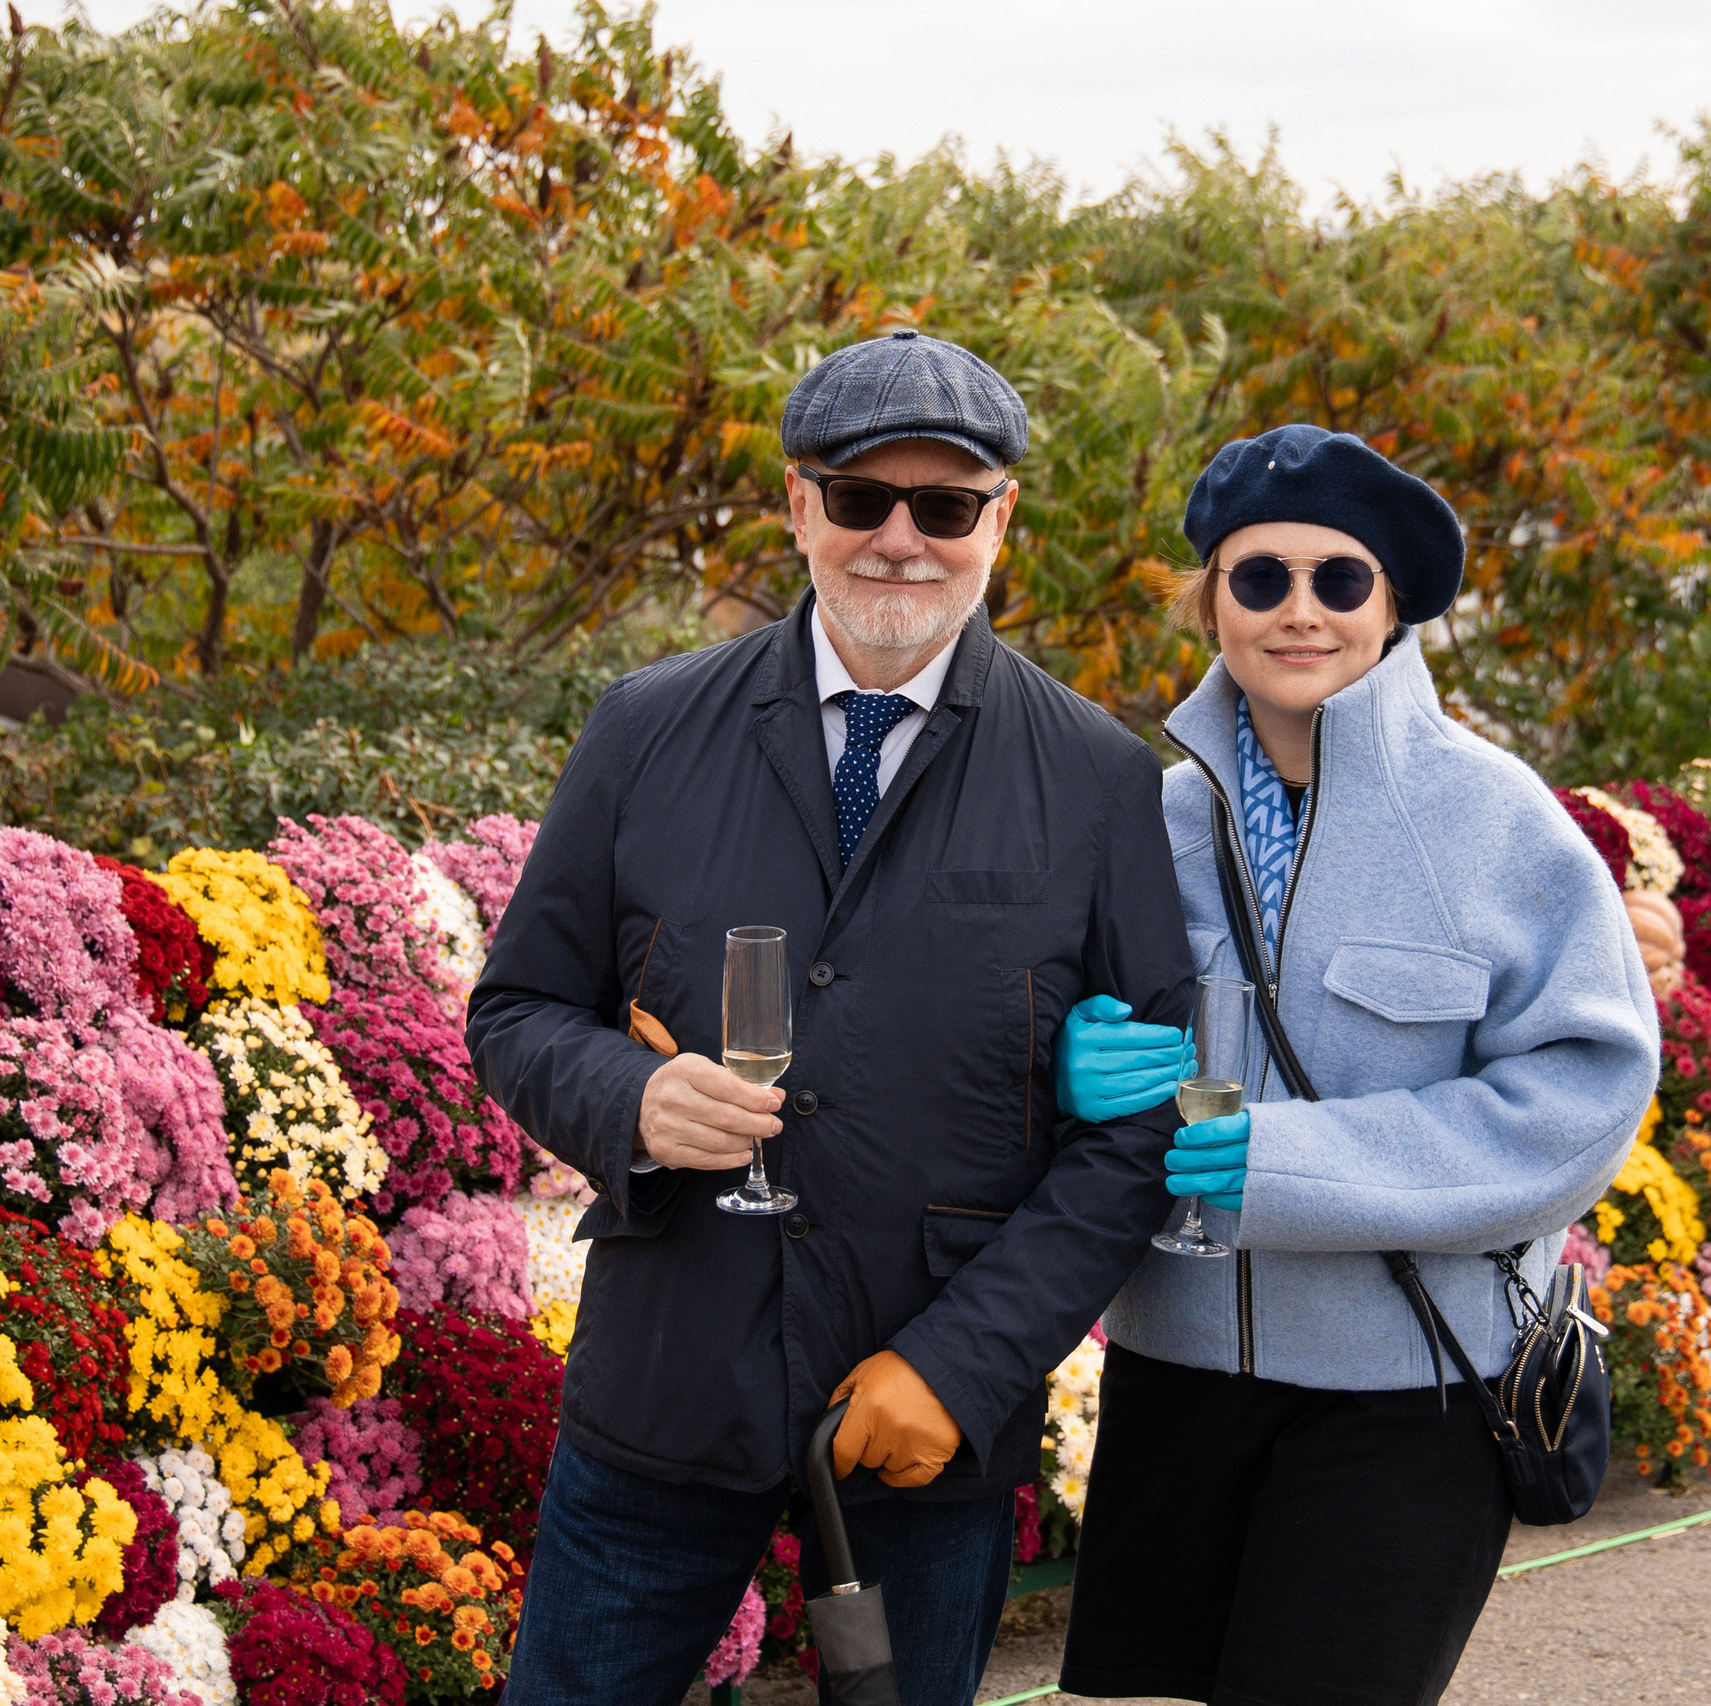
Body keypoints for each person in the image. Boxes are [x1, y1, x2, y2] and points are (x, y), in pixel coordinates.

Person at [466, 329, 1197, 1706]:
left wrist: (963, 1361)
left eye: (945, 504)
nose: (899, 540)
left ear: (1002, 522)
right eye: (860, 498)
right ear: (799, 507)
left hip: (928, 1414)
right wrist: (628, 1102)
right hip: (666, 1384)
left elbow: (1144, 1115)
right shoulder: (643, 729)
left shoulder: (1102, 779)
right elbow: (515, 1009)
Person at [1050, 424, 1660, 1706]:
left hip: (1409, 1395)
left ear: (1393, 608)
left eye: (1341, 579)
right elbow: (1056, 1025)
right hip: (1177, 1378)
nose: (1299, 612)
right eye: (1258, 577)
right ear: (1212, 598)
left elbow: (1580, 1097)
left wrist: (1289, 1161)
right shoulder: (1144, 818)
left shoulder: (1496, 819)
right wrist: (1063, 1062)